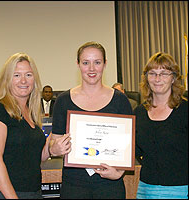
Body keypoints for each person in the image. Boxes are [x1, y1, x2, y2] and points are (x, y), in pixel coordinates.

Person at [49, 41, 133, 199]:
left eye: (97, 62)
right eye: (86, 63)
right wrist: (55, 149)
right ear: (78, 64)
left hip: (110, 186)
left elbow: (128, 147)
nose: (92, 69)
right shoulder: (63, 100)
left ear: (105, 64)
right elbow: (54, 142)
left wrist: (118, 173)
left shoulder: (120, 100)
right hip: (74, 185)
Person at [0, 52, 53, 199]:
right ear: (7, 79)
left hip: (34, 192)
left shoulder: (31, 112)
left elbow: (36, 157)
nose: (23, 80)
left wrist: (53, 141)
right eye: (16, 75)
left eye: (29, 75)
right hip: (5, 194)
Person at [134, 52, 188, 199]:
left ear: (173, 78)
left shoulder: (185, 110)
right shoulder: (139, 112)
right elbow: (134, 149)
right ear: (146, 78)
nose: (157, 79)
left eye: (164, 73)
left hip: (180, 190)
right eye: (152, 73)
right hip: (145, 188)